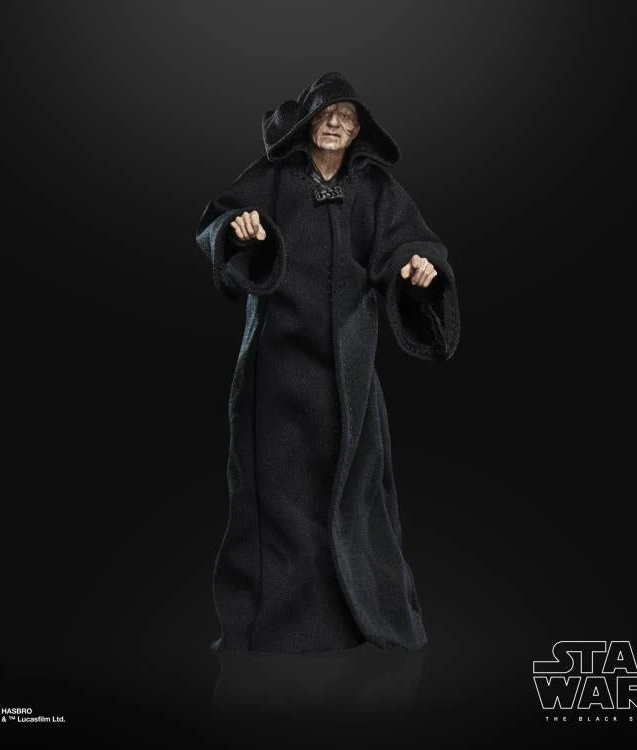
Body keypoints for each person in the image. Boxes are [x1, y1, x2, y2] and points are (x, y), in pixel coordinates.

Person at [195, 71, 460, 654]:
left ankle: (361, 617)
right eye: (326, 114)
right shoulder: (273, 178)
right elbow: (217, 222)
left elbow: (410, 246)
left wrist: (419, 268)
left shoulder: (377, 190)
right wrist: (240, 232)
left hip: (351, 381)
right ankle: (269, 623)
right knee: (276, 503)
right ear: (309, 122)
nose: (336, 123)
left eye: (348, 116)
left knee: (359, 499)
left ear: (360, 129)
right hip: (276, 377)